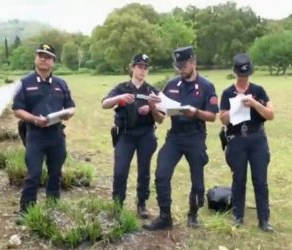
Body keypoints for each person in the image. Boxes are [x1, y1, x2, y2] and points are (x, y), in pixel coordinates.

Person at [143, 46, 218, 230]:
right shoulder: (172, 85)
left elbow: (212, 116)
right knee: (161, 174)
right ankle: (165, 216)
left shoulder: (206, 86)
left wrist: (195, 112)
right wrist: (153, 107)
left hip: (195, 137)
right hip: (175, 137)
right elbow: (161, 118)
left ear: (193, 62)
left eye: (184, 65)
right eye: (178, 66)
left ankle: (193, 214)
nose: (180, 69)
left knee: (198, 182)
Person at [12, 43, 75, 218]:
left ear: (53, 61)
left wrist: (68, 113)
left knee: (55, 173)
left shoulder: (61, 84)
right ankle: (26, 212)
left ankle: (53, 208)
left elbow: (71, 106)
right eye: (40, 55)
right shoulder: (25, 82)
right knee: (34, 174)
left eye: (47, 57)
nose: (43, 59)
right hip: (35, 135)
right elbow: (17, 109)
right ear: (35, 59)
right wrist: (33, 119)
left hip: (56, 134)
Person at [101, 54, 164, 218]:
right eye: (139, 67)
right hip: (125, 134)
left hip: (146, 134)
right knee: (120, 171)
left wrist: (152, 108)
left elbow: (162, 118)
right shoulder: (122, 87)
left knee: (144, 171)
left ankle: (141, 203)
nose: (142, 70)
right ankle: (117, 204)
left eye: (145, 68)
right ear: (132, 68)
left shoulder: (152, 91)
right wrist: (119, 98)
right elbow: (104, 104)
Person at [218, 53, 275, 232]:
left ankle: (264, 219)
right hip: (237, 140)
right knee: (239, 179)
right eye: (240, 75)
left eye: (246, 75)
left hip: (257, 139)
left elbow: (270, 114)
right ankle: (238, 215)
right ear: (236, 73)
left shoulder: (258, 90)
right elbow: (223, 119)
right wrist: (234, 109)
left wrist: (254, 104)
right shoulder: (228, 92)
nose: (243, 78)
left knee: (260, 180)